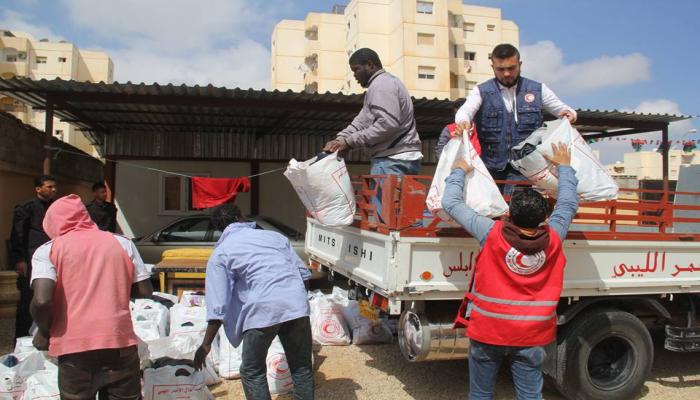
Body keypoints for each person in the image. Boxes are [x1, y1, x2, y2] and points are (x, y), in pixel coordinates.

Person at [442, 143, 579, 400]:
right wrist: (565, 167)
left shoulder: (491, 233)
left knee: (481, 395)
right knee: (529, 395)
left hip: (488, 331)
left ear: (510, 213)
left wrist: (459, 169)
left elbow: (450, 202)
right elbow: (568, 203)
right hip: (532, 335)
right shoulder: (555, 237)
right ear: (544, 218)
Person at [30, 194, 153, 399]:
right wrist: (115, 288)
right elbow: (144, 290)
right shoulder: (121, 243)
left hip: (75, 349)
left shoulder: (48, 250)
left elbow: (42, 300)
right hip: (119, 342)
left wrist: (44, 331)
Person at [194, 204, 313, 400]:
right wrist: (298, 304)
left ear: (219, 228)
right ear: (242, 217)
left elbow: (218, 304)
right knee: (301, 367)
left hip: (261, 312)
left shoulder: (221, 252)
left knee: (252, 370)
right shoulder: (275, 237)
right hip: (296, 306)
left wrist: (206, 345)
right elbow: (303, 274)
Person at [453, 43, 577, 195]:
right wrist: (463, 121)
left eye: (511, 68)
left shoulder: (538, 89)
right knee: (492, 214)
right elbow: (465, 111)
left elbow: (563, 109)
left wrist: (569, 114)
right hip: (491, 169)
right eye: (501, 69)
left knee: (522, 214)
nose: (506, 74)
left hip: (526, 169)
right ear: (493, 67)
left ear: (520, 64)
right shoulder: (481, 91)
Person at [323, 48, 422, 220]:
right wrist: (341, 139)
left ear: (370, 64)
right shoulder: (382, 85)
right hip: (397, 159)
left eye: (356, 69)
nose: (354, 75)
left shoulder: (381, 86)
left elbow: (387, 124)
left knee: (391, 222)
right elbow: (362, 121)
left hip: (393, 161)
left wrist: (350, 142)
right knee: (402, 220)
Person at [8, 174, 57, 339]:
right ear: (38, 189)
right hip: (31, 259)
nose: (53, 190)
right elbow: (18, 235)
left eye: (54, 187)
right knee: (28, 298)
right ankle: (22, 338)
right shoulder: (26, 208)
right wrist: (20, 259)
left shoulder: (55, 208)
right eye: (49, 187)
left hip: (52, 257)